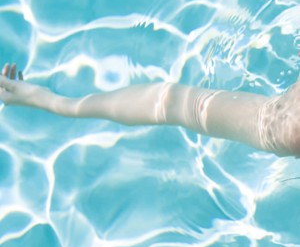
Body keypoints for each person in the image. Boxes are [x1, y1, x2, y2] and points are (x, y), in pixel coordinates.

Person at [0, 62, 299, 158]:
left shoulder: (289, 128)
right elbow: (171, 103)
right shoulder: (288, 126)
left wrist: (54, 103)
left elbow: (172, 104)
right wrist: (55, 103)